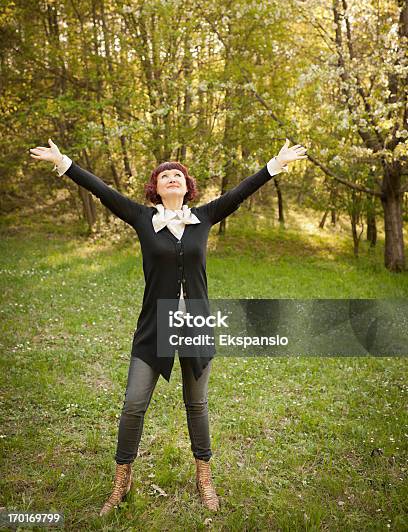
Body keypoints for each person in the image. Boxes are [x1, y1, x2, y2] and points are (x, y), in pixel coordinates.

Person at [29, 137, 307, 515]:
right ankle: (121, 480)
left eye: (178, 174)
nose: (172, 177)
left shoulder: (204, 218)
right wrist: (64, 162)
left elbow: (241, 192)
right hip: (154, 327)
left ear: (186, 186)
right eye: (164, 176)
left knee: (197, 404)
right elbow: (102, 191)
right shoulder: (143, 218)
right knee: (133, 404)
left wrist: (275, 164)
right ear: (156, 189)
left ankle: (204, 477)